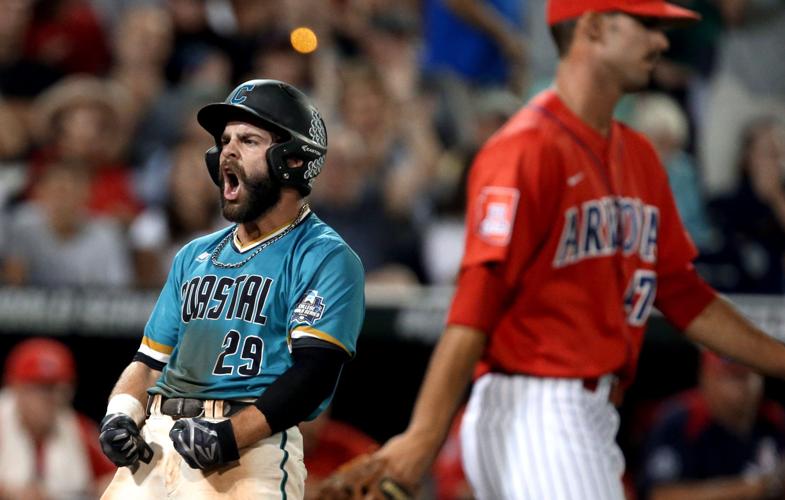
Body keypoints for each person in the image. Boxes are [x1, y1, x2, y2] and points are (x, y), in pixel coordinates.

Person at [353, 1, 785, 499]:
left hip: (586, 414)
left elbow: (686, 297)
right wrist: (424, 435)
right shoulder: (525, 147)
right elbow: (474, 306)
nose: (662, 41)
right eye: (646, 25)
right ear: (594, 27)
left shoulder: (640, 156)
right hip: (537, 406)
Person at [98, 79, 365, 499]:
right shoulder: (193, 255)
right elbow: (148, 361)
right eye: (225, 140)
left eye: (249, 139)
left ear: (292, 159)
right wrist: (121, 413)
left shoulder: (324, 255)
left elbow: (313, 375)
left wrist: (229, 436)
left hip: (246, 449)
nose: (228, 151)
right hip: (156, 443)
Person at [638, 351, 785, 500]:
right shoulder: (681, 422)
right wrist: (748, 489)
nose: (744, 387)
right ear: (706, 378)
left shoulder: (774, 419)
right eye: (733, 377)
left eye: (749, 376)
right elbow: (660, 495)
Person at [0, 337, 115, 500]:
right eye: (40, 388)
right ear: (16, 387)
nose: (49, 399)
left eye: (56, 389)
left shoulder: (78, 429)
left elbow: (116, 480)